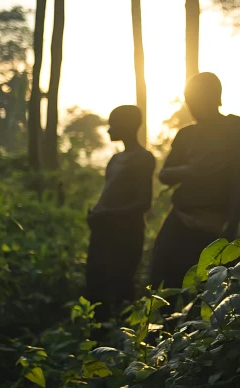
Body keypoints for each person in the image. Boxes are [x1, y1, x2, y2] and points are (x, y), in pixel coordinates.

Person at [149, 72, 240, 292]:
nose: (191, 107)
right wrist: (191, 170)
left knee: (214, 290)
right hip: (180, 218)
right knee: (162, 279)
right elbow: (165, 175)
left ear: (215, 98)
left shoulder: (236, 130)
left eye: (196, 100)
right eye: (188, 101)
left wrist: (231, 227)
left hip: (214, 223)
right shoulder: (186, 135)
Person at [86, 105, 155, 322]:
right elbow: (108, 194)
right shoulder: (115, 159)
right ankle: (101, 333)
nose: (108, 130)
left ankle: (124, 338)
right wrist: (98, 213)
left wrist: (107, 215)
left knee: (122, 284)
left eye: (112, 124)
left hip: (126, 235)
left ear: (127, 125)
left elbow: (144, 202)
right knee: (96, 283)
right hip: (103, 233)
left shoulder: (144, 158)